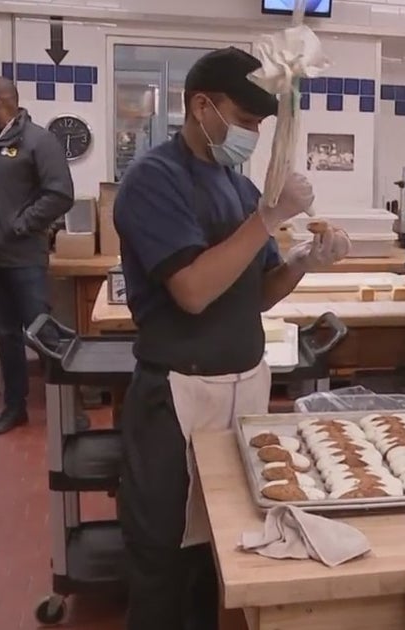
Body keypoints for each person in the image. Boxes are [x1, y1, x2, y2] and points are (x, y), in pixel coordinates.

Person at [113, 47, 351, 630]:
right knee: (166, 550)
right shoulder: (153, 181)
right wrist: (267, 221)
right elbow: (193, 290)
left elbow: (258, 293)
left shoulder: (239, 186)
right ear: (201, 106)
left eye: (259, 126)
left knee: (225, 547)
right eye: (244, 122)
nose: (251, 135)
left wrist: (300, 261)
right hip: (177, 393)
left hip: (242, 385)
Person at [0, 77, 74, 435]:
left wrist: (20, 225)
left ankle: (67, 408)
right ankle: (15, 406)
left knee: (42, 333)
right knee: (6, 334)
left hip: (22, 255)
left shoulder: (39, 141)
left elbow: (60, 194)